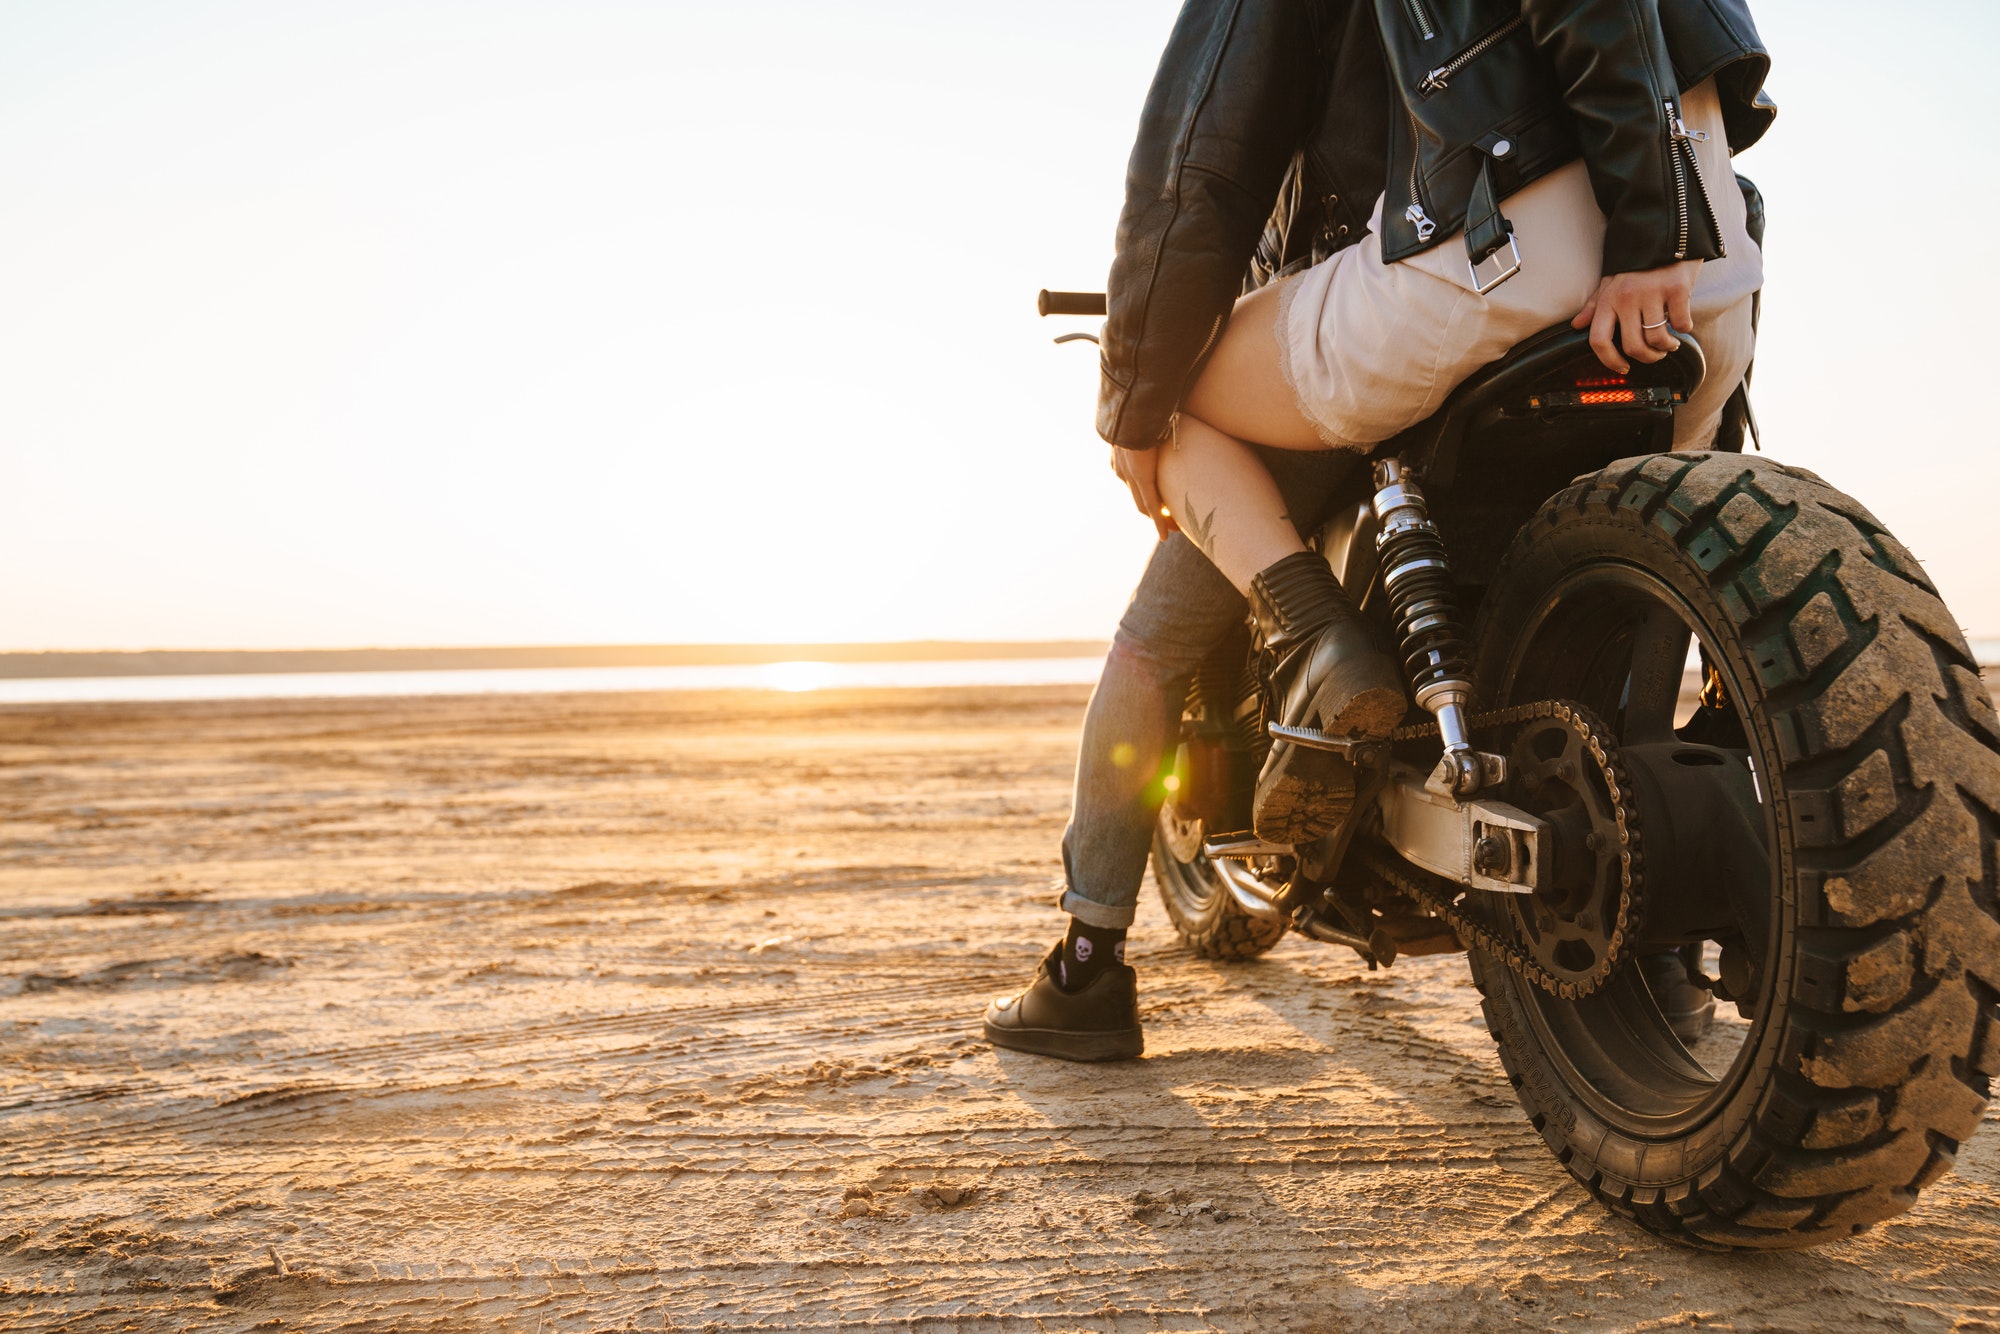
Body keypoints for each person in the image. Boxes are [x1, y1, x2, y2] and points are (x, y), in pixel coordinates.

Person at [984, 0, 1772, 1062]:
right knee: (1653, 563)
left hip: (1498, 245)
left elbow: (1197, 170)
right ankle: (1661, 935)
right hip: (1705, 270)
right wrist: (1657, 227)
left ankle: (1088, 961)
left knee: (1161, 516)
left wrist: (1132, 391)